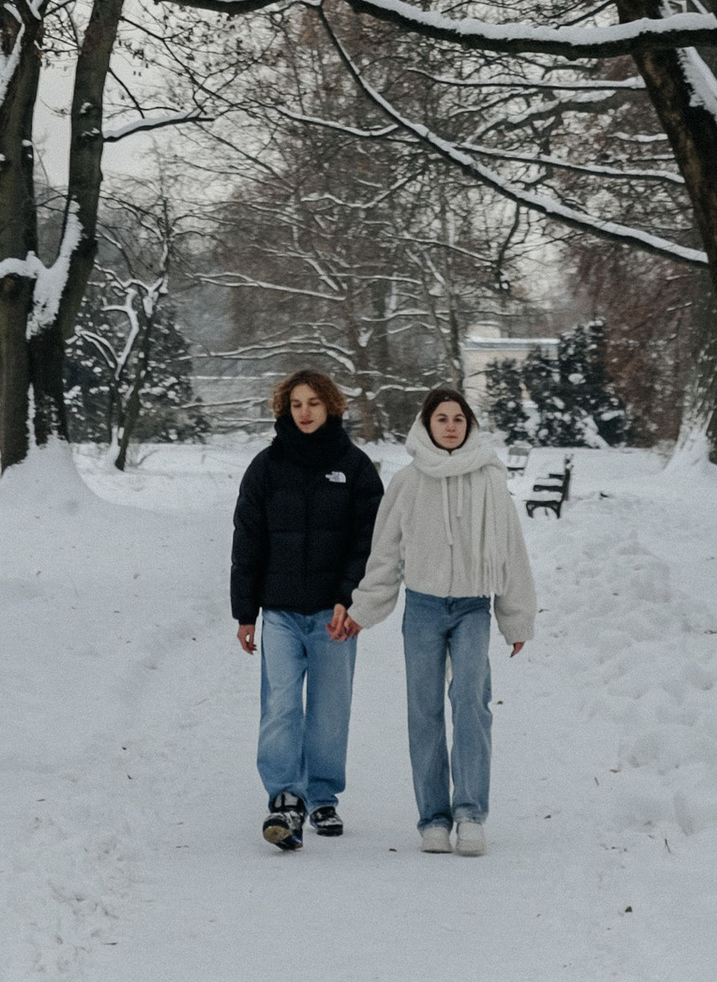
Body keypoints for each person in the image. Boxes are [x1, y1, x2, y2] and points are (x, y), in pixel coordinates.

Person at [348, 383, 535, 855]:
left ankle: (470, 814)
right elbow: (385, 553)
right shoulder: (409, 482)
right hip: (425, 607)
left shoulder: (490, 479)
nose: (450, 426)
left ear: (468, 425)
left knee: (471, 705)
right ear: (426, 425)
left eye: (457, 419)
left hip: (474, 606)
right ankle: (433, 817)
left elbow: (511, 551)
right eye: (441, 419)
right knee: (424, 710)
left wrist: (515, 618)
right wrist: (363, 610)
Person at [229, 365, 385, 852]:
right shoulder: (266, 466)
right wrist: (245, 613)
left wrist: (349, 598)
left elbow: (369, 542)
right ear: (284, 409)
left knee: (329, 709)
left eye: (313, 403)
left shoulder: (355, 467)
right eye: (295, 404)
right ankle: (285, 798)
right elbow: (248, 541)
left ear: (331, 406)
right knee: (279, 707)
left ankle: (322, 796)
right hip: (278, 612)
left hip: (334, 615)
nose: (304, 412)